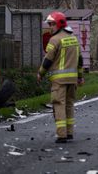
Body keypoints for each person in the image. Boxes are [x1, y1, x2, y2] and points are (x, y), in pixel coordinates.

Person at [37, 12, 84, 143]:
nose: (50, 27)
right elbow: (80, 60)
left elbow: (47, 60)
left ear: (58, 24)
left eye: (51, 24)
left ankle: (61, 135)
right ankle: (69, 133)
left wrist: (40, 73)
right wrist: (80, 76)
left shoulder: (54, 40)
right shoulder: (73, 38)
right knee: (69, 105)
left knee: (59, 105)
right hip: (72, 79)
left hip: (59, 80)